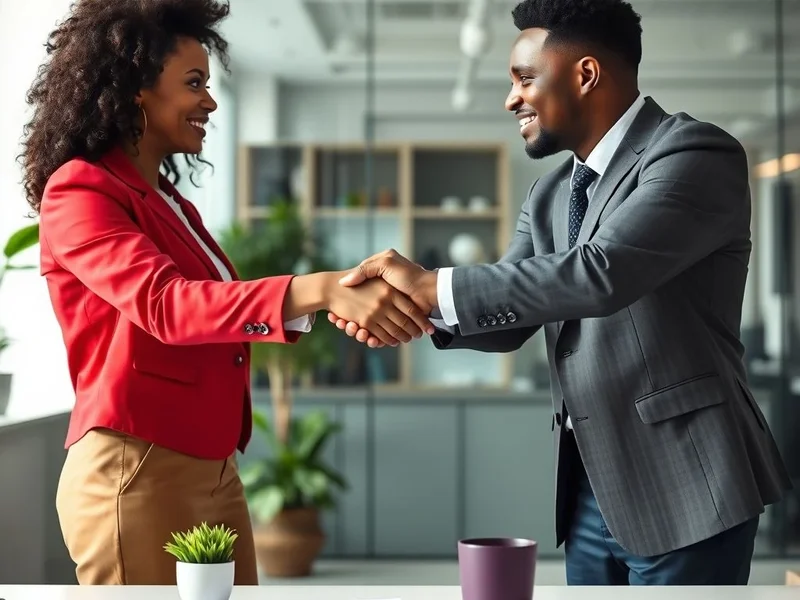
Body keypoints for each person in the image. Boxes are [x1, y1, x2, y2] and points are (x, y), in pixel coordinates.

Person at [329, 0, 793, 586]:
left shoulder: (692, 153)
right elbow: (509, 319)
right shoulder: (550, 195)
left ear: (586, 74)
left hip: (688, 481)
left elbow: (602, 272)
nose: (510, 99)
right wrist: (412, 309)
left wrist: (430, 284)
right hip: (592, 488)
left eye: (525, 79)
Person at [19, 0, 431, 586]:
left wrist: (334, 298)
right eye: (193, 84)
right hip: (137, 465)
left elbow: (219, 311)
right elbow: (168, 305)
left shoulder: (168, 201)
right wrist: (319, 290)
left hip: (212, 465)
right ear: (137, 89)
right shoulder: (81, 191)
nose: (209, 102)